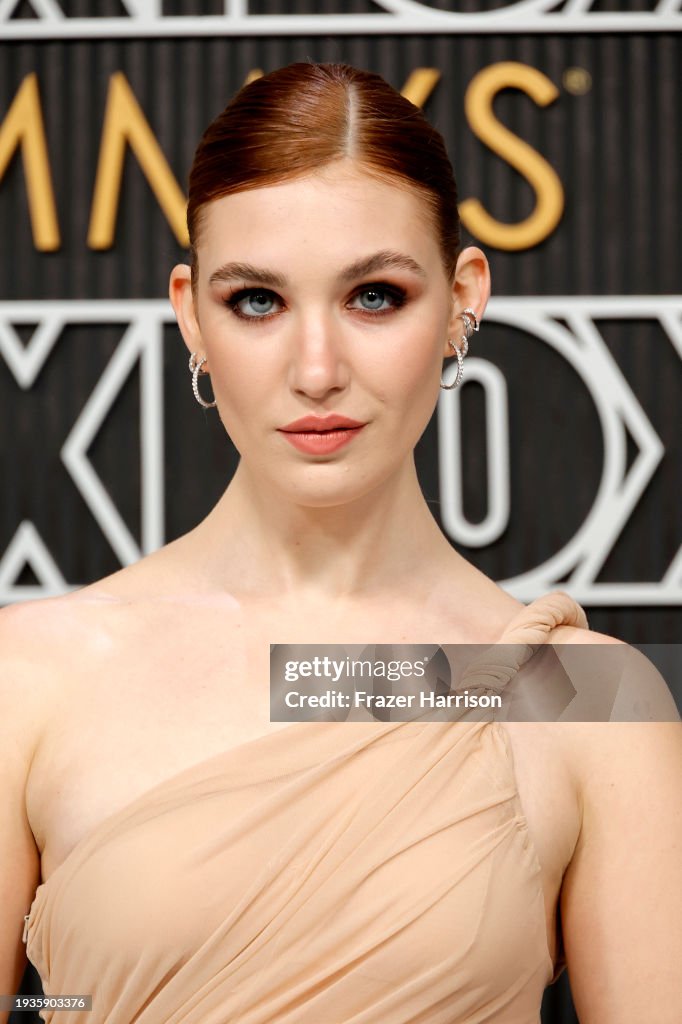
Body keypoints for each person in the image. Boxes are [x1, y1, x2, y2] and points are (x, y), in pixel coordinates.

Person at [1, 61, 680, 1024]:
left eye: (373, 297)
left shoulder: (587, 696)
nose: (316, 370)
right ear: (191, 311)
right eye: (257, 302)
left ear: (462, 297)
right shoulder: (28, 677)